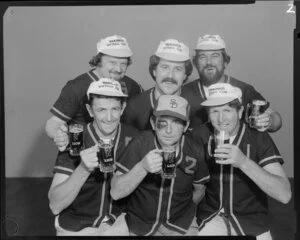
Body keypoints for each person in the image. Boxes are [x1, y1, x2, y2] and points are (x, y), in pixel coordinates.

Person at [190, 83, 291, 239]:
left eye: (227, 110)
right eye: (214, 111)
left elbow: (284, 194)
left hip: (251, 220)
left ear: (240, 112)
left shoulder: (257, 136)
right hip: (211, 218)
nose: (221, 118)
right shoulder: (199, 135)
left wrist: (243, 162)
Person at [48, 78, 140, 236]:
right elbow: (55, 204)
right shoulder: (75, 138)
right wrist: (83, 169)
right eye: (101, 110)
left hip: (119, 224)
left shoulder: (135, 137)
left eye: (115, 109)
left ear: (123, 108)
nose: (109, 117)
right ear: (90, 111)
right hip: (77, 226)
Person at [110, 95, 210, 236]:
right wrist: (142, 167)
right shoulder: (141, 142)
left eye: (176, 123)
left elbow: (200, 190)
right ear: (153, 123)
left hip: (181, 223)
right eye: (163, 122)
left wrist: (181, 210)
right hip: (140, 222)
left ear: (186, 126)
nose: (169, 130)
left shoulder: (196, 150)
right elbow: (115, 193)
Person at [45, 35, 143, 151]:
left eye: (123, 63)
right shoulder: (77, 87)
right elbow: (54, 123)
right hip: (83, 153)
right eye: (112, 62)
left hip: (119, 154)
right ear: (98, 61)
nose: (118, 69)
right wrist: (59, 136)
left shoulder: (131, 85)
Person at [183, 34, 282, 132]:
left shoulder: (244, 90)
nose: (209, 62)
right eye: (202, 57)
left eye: (215, 56)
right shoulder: (185, 92)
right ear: (195, 63)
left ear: (225, 62)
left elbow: (276, 120)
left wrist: (269, 121)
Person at [121, 38, 193, 130]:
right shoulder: (135, 107)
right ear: (154, 71)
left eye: (178, 69)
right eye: (164, 67)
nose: (170, 75)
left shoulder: (197, 107)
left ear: (185, 75)